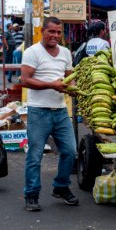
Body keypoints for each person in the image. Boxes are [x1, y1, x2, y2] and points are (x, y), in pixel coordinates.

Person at [21, 16, 78, 211]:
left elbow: (69, 79)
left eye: (58, 32)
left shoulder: (65, 52)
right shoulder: (32, 52)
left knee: (70, 151)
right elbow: (25, 80)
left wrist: (71, 88)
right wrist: (51, 85)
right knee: (35, 156)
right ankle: (31, 194)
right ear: (43, 31)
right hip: (38, 111)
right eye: (51, 31)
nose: (55, 35)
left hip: (60, 111)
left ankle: (61, 187)